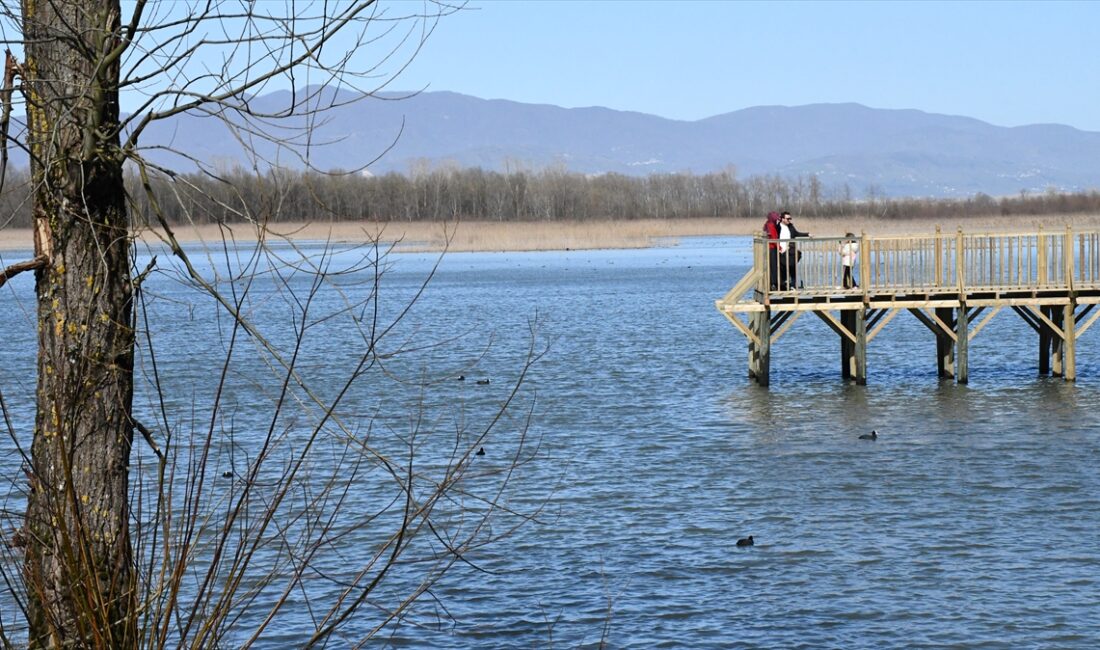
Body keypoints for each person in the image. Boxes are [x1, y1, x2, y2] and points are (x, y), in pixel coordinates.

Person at [778, 211, 809, 289]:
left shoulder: (790, 227)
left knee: (793, 263)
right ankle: (784, 283)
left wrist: (807, 234)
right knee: (784, 267)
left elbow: (797, 233)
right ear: (782, 219)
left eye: (790, 218)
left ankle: (793, 284)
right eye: (787, 218)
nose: (789, 220)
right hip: (781, 251)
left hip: (790, 250)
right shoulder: (778, 227)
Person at [763, 211, 782, 290]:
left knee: (771, 266)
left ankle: (773, 283)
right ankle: (774, 284)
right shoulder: (771, 225)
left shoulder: (767, 224)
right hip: (772, 248)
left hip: (769, 247)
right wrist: (779, 248)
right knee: (773, 267)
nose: (777, 220)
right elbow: (774, 238)